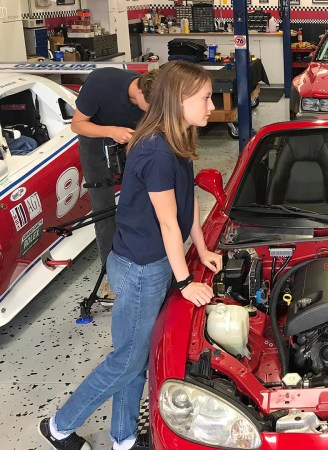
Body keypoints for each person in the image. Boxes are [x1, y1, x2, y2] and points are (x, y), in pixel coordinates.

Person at [39, 61, 221, 450]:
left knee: (134, 356)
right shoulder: (156, 151)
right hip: (141, 268)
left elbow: (185, 207)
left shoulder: (178, 140)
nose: (211, 106)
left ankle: (121, 437)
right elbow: (169, 224)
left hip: (149, 262)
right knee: (126, 361)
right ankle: (58, 426)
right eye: (205, 98)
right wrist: (186, 282)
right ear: (179, 100)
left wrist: (202, 248)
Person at [72, 67, 159, 296]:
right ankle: (112, 278)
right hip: (96, 139)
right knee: (105, 211)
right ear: (141, 94)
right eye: (154, 107)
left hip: (135, 139)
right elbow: (77, 124)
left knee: (148, 201)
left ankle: (150, 267)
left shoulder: (154, 94)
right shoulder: (101, 83)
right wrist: (110, 131)